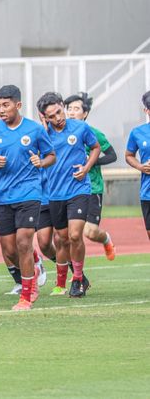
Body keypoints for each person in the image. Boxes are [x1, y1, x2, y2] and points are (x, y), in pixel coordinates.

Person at [0, 85, 56, 310]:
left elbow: (51, 155)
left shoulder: (34, 130)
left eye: (6, 105)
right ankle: (32, 270)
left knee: (24, 242)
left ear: (18, 105)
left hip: (29, 194)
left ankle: (27, 292)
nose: (1, 110)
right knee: (10, 250)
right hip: (2, 196)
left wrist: (41, 162)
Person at [37, 92, 100, 298]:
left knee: (74, 235)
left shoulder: (80, 127)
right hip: (55, 194)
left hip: (78, 189)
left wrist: (86, 167)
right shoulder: (43, 135)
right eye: (52, 116)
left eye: (59, 111)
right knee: (61, 239)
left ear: (62, 106)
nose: (58, 117)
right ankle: (61, 283)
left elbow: (95, 148)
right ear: (44, 117)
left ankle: (78, 279)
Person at [64, 93, 117, 260]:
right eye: (69, 109)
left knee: (91, 232)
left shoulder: (94, 133)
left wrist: (91, 162)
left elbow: (112, 155)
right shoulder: (60, 133)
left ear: (85, 113)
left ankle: (106, 239)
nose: (71, 112)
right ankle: (77, 275)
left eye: (76, 109)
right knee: (71, 235)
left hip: (92, 187)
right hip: (69, 190)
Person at [125, 91, 150, 244]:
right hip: (147, 192)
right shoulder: (137, 133)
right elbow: (128, 155)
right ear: (146, 110)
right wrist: (141, 167)